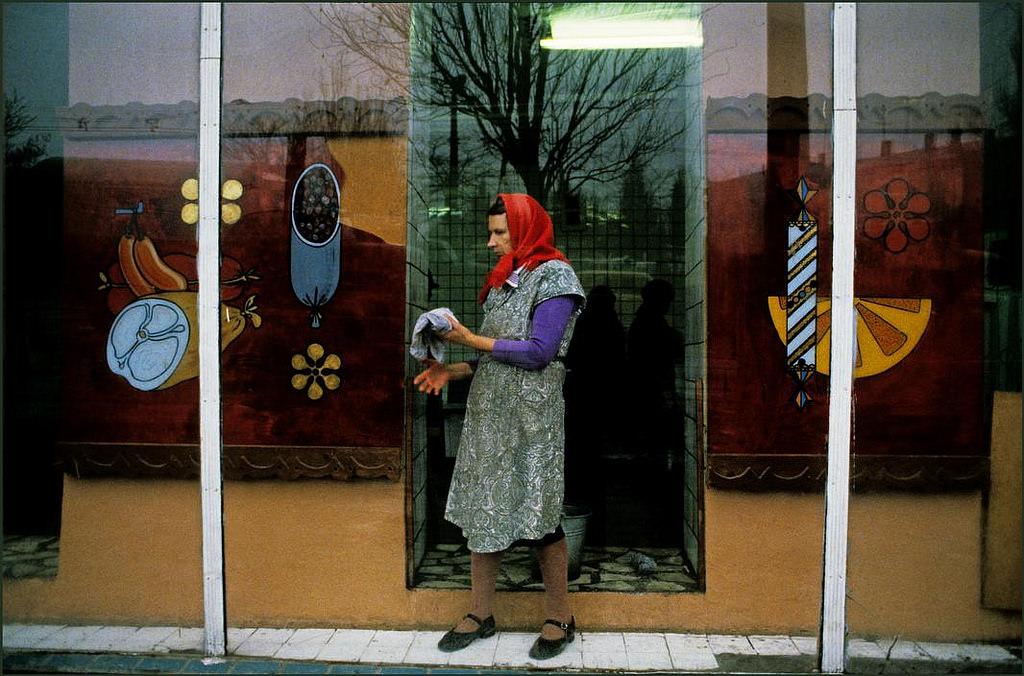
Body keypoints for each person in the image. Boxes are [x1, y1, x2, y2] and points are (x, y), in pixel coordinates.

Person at [414, 193, 585, 660]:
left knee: (540, 511)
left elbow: (538, 352)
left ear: (526, 229)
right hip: (490, 414)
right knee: (483, 509)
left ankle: (559, 616)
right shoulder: (505, 280)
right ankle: (480, 612)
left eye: (499, 233)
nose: (490, 242)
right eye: (491, 232)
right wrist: (454, 369)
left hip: (533, 418)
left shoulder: (556, 276)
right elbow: (493, 352)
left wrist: (470, 337)